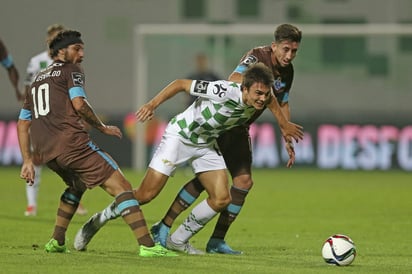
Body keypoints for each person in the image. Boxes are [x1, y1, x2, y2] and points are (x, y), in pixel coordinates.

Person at [74, 62, 304, 254]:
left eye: (265, 94)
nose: (262, 99)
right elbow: (181, 84)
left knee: (222, 198)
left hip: (205, 143)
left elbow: (273, 100)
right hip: (180, 136)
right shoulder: (223, 91)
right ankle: (99, 219)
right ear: (244, 88)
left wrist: (284, 125)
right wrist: (152, 104)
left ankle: (177, 240)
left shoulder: (262, 96)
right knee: (145, 195)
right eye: (258, 93)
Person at [17, 29, 176, 257]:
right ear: (61, 51)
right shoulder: (71, 70)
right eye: (77, 49)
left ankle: (56, 241)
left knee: (76, 185)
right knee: (122, 187)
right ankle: (149, 247)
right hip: (72, 145)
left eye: (83, 49)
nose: (82, 54)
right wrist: (102, 127)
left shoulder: (36, 83)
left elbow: (23, 124)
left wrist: (27, 161)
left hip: (48, 153)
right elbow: (79, 104)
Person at [150, 23, 303, 254]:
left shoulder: (288, 72)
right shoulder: (257, 56)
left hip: (241, 128)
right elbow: (235, 76)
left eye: (294, 51)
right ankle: (164, 225)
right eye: (285, 49)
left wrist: (287, 134)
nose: (289, 55)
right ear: (274, 46)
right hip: (223, 125)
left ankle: (216, 241)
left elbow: (283, 103)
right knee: (206, 182)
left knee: (243, 183)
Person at [22, 24, 88, 217]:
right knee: (37, 160)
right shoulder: (37, 62)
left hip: (62, 118)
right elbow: (28, 88)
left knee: (69, 159)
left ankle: (76, 199)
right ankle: (32, 204)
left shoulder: (70, 64)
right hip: (41, 116)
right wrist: (29, 111)